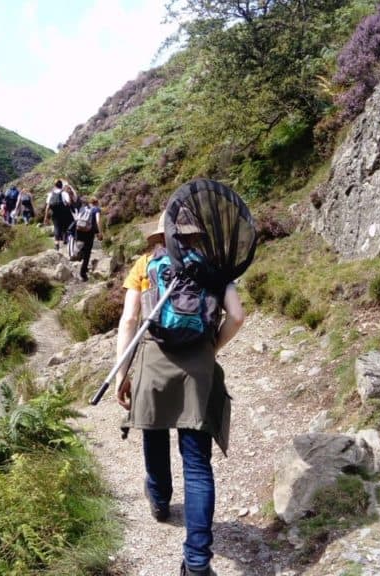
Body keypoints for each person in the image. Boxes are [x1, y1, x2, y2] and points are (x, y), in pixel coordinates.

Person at [115, 214, 245, 576]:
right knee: (197, 464)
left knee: (154, 435)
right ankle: (198, 563)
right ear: (197, 236)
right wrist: (211, 349)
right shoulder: (214, 267)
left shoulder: (146, 263)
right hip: (198, 368)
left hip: (154, 361)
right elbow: (236, 315)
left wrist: (122, 374)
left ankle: (158, 498)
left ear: (161, 235)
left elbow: (128, 321)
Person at [72, 197, 102, 281]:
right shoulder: (96, 209)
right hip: (89, 232)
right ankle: (83, 273)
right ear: (97, 203)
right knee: (88, 252)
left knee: (81, 246)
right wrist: (100, 232)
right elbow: (98, 220)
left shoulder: (84, 208)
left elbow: (76, 218)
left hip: (79, 230)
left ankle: (78, 255)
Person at [42, 179, 72, 250]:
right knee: (65, 225)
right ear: (61, 185)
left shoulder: (50, 194)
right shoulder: (64, 193)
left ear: (55, 186)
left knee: (56, 227)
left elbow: (48, 206)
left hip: (54, 213)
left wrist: (45, 217)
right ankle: (65, 239)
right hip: (64, 212)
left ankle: (56, 244)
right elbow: (69, 203)